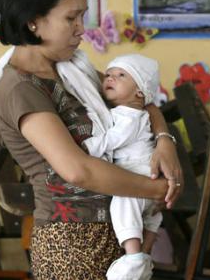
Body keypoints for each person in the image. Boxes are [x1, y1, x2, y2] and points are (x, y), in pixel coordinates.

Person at [0, 0, 182, 279]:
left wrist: (164, 140)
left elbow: (136, 98)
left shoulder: (68, 66)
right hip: (73, 243)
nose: (82, 29)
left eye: (83, 16)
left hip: (119, 231)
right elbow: (77, 171)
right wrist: (157, 190)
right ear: (33, 21)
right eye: (71, 18)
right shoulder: (20, 88)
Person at [83, 54, 163, 280]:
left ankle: (133, 256)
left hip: (138, 175)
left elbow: (112, 139)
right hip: (146, 175)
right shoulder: (131, 113)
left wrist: (85, 147)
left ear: (140, 92)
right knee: (151, 217)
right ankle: (145, 255)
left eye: (121, 75)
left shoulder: (130, 116)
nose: (110, 78)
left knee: (123, 203)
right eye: (108, 74)